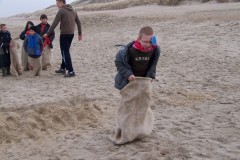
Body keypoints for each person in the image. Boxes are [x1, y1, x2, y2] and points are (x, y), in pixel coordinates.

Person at [109, 26, 161, 145]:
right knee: (128, 107)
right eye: (145, 41)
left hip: (143, 82)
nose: (148, 44)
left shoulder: (155, 49)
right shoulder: (127, 51)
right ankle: (125, 132)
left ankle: (139, 130)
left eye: (150, 41)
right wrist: (128, 74)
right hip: (129, 82)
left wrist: (151, 75)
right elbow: (118, 63)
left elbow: (153, 64)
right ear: (138, 39)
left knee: (142, 106)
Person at [43, 0, 82, 77]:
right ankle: (63, 68)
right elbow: (78, 22)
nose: (56, 4)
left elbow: (55, 23)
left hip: (64, 34)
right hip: (71, 34)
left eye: (57, 3)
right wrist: (80, 34)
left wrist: (47, 33)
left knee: (65, 52)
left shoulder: (62, 10)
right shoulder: (73, 10)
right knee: (64, 51)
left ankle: (71, 71)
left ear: (61, 3)